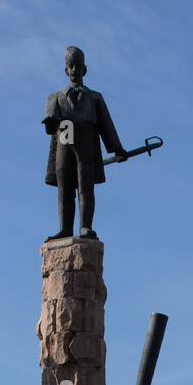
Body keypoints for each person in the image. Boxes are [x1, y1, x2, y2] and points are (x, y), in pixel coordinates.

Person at [43, 45, 128, 240]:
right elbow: (50, 129)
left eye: (78, 66)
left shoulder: (94, 97)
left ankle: (85, 227)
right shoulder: (54, 97)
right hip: (65, 137)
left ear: (85, 69)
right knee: (65, 187)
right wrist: (50, 122)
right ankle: (65, 228)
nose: (74, 70)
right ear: (66, 69)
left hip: (87, 139)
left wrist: (117, 149)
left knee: (85, 185)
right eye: (70, 66)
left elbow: (107, 125)